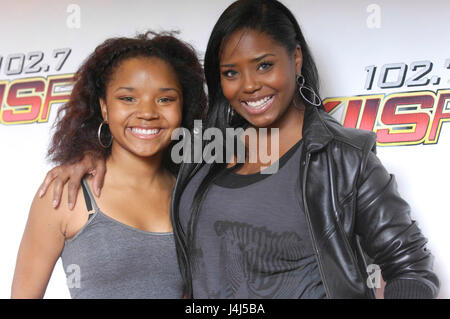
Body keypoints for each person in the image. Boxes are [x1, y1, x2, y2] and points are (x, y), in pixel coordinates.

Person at [37, 0, 440, 299]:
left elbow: (412, 269)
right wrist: (90, 155)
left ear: (295, 59)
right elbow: (143, 144)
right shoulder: (204, 150)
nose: (249, 85)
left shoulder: (342, 156)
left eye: (264, 65)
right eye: (231, 73)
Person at [11, 31, 206, 298]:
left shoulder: (192, 196)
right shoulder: (66, 193)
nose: (148, 112)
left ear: (183, 108)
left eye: (165, 99)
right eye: (128, 98)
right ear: (104, 108)